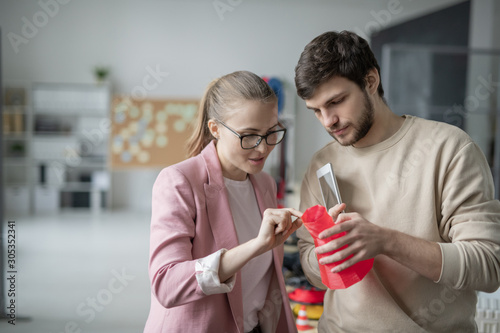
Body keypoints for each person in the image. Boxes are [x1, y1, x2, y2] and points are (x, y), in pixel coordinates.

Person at [293, 30, 500, 332]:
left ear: (371, 81)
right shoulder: (321, 165)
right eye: (316, 111)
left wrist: (385, 241)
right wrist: (328, 252)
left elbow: (489, 266)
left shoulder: (449, 148)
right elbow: (311, 266)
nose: (328, 121)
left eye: (336, 102)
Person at [144, 70, 301, 333]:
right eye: (249, 135)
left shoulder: (264, 183)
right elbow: (166, 284)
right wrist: (255, 247)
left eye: (272, 132)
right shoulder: (179, 182)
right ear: (215, 128)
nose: (263, 148)